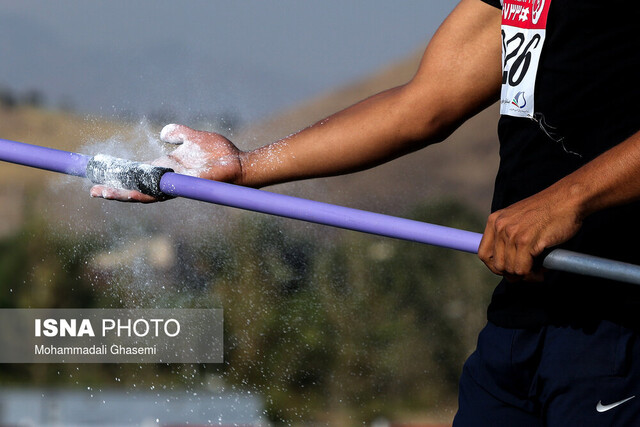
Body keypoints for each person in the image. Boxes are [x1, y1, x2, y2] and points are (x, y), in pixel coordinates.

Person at [91, 0, 640, 424]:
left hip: (621, 322)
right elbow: (421, 107)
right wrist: (243, 166)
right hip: (523, 320)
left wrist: (571, 199)